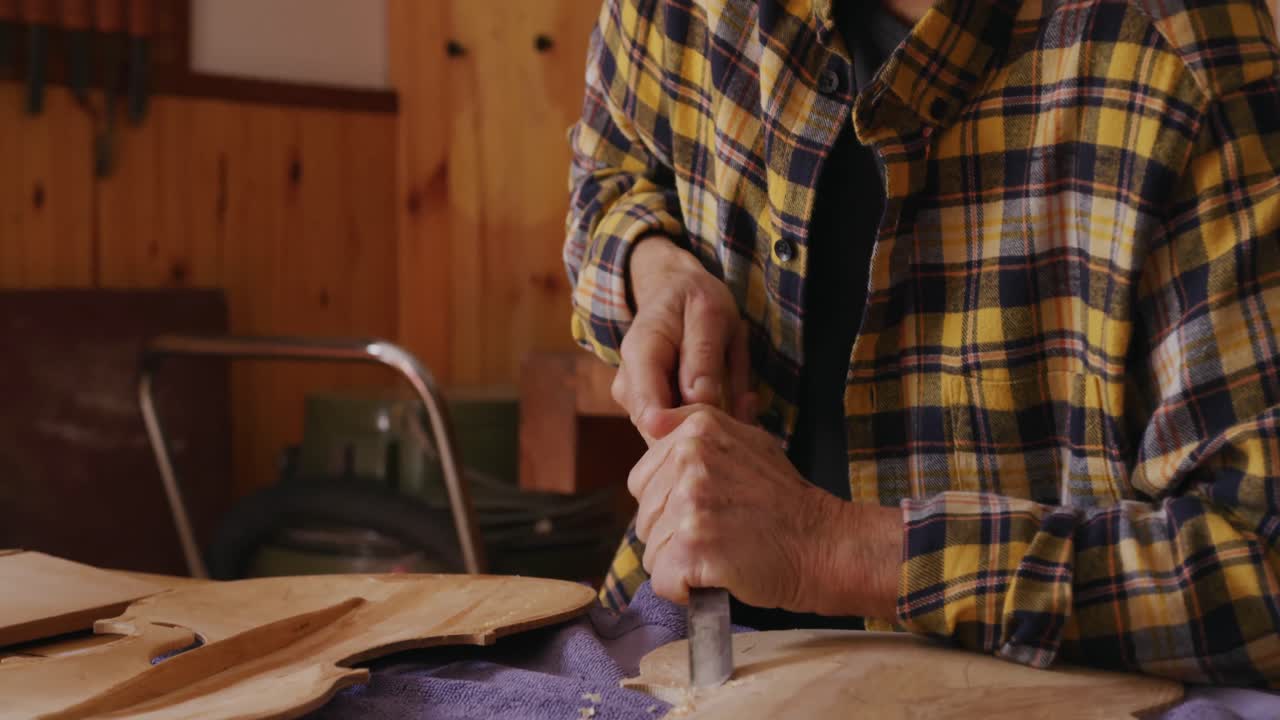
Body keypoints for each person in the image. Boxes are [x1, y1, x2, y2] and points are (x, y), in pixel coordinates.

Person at [563, 0, 1280, 687]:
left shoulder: (1187, 64)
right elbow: (612, 174)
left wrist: (838, 550)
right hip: (678, 649)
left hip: (1030, 692)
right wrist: (652, 267)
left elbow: (1260, 570)